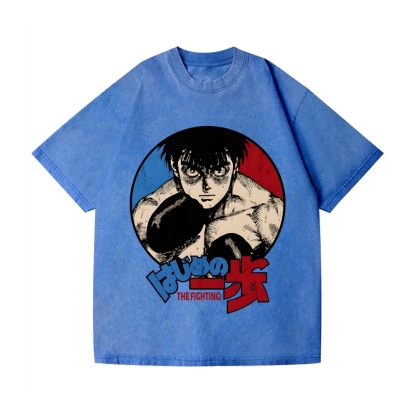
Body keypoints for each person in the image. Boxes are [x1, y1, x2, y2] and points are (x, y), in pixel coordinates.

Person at [132, 126, 284, 264]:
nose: (206, 186)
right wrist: (162, 251)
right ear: (175, 166)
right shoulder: (148, 212)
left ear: (235, 165)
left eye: (219, 171)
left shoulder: (265, 210)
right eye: (192, 171)